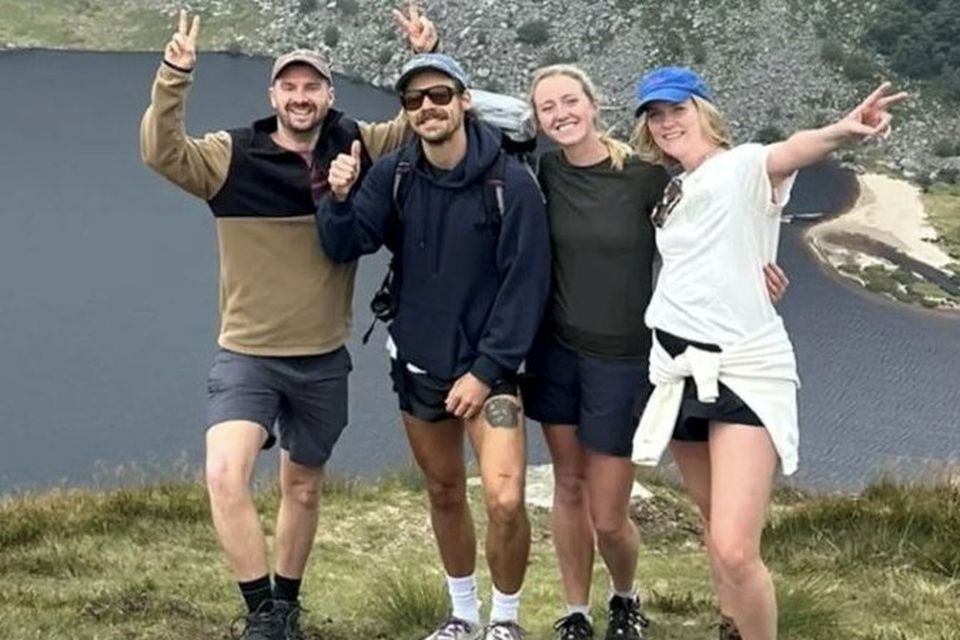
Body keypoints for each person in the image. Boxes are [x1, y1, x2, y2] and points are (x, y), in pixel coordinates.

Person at [138, 5, 437, 639]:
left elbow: (419, 128)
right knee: (224, 474)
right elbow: (161, 152)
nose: (301, 98)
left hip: (323, 357)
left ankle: (289, 599)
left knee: (301, 488)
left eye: (313, 87)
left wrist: (421, 53)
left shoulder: (354, 143)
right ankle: (262, 615)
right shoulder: (232, 156)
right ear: (273, 94)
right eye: (290, 87)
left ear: (328, 94)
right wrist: (175, 74)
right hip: (247, 353)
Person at [629, 67, 906, 640]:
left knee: (734, 546)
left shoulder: (742, 166)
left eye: (676, 110)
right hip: (677, 370)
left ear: (703, 111)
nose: (665, 123)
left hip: (744, 368)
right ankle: (731, 629)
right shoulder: (675, 186)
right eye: (655, 115)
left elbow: (789, 153)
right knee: (713, 530)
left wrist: (843, 131)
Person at [524, 65, 789, 640]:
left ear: (595, 106)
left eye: (572, 101)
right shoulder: (541, 170)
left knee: (609, 515)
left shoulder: (648, 179)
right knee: (567, 487)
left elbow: (710, 229)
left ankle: (624, 595)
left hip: (625, 360)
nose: (561, 114)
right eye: (548, 107)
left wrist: (756, 274)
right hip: (558, 353)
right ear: (538, 120)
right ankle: (576, 613)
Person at [316, 53, 551, 640]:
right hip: (419, 363)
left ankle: (506, 620)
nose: (428, 108)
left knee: (503, 499)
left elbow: (527, 285)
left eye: (440, 95)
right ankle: (461, 615)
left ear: (464, 101)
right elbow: (347, 244)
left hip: (489, 375)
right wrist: (338, 198)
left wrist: (486, 369)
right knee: (444, 491)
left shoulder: (511, 184)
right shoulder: (394, 173)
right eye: (415, 100)